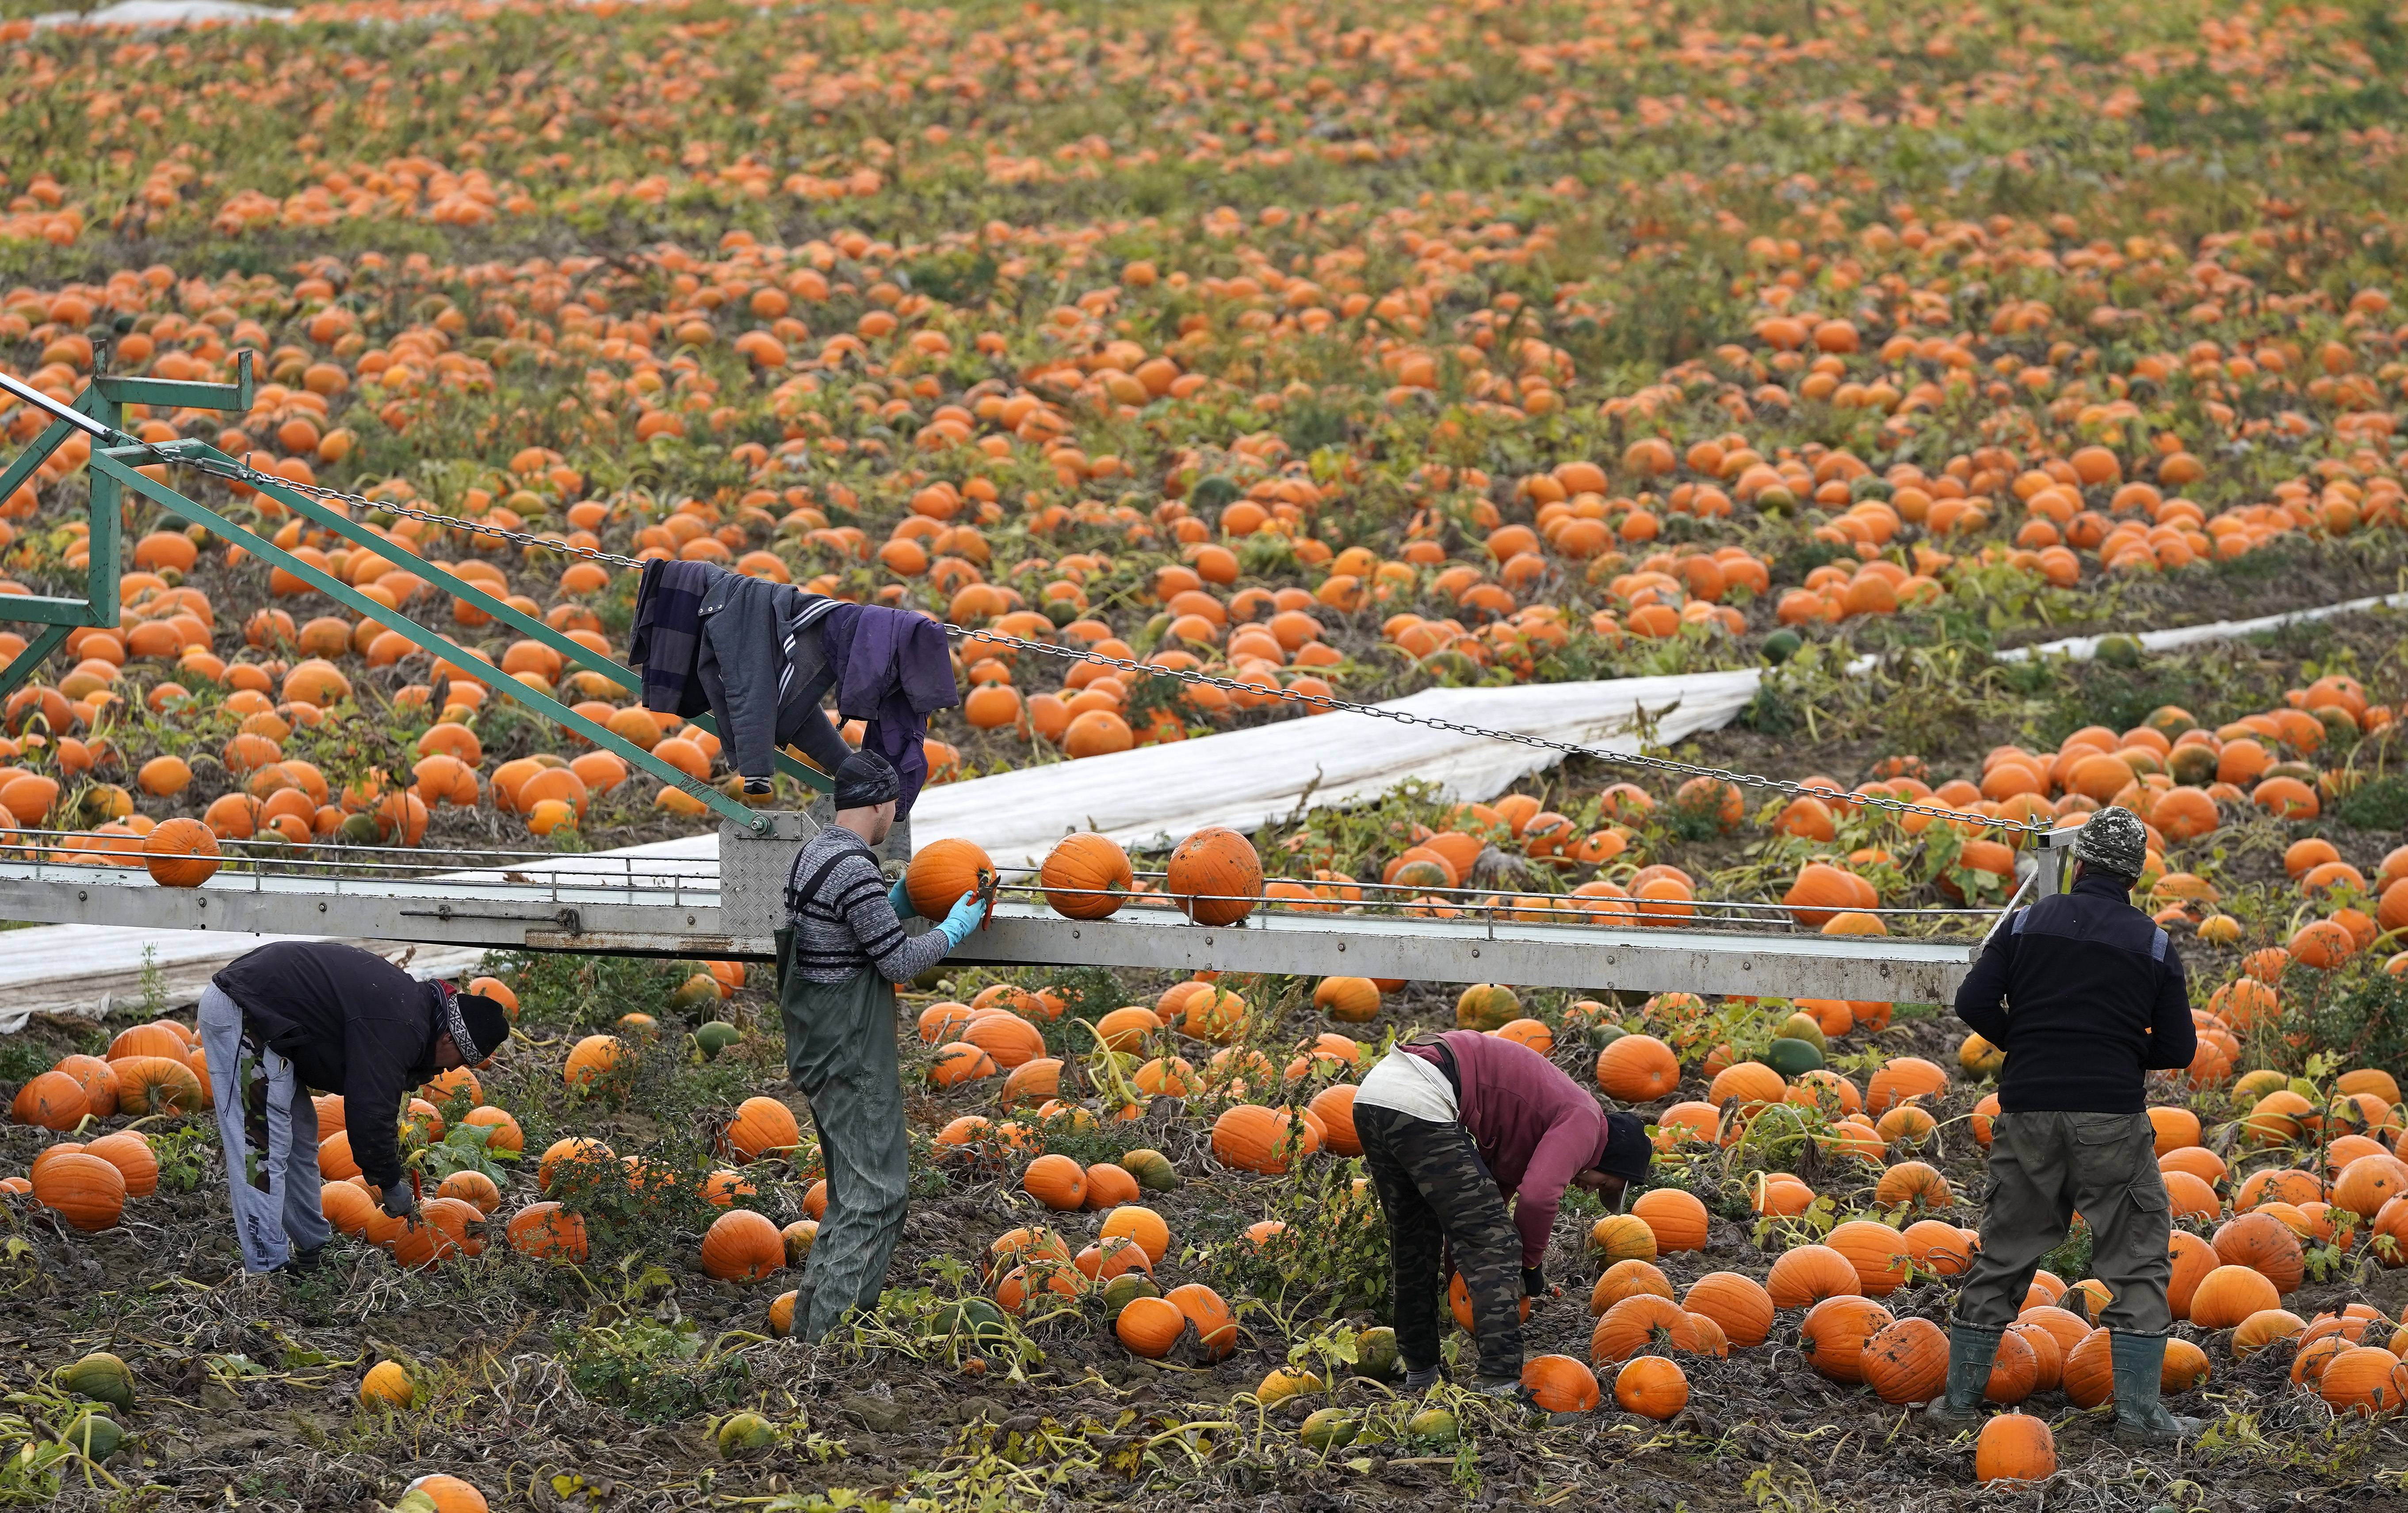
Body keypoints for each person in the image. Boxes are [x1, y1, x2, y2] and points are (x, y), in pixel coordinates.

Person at [1933, 806, 2198, 1441]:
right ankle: (2139, 1415)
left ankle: (1957, 1403)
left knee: (2003, 1250)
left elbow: (1971, 1000)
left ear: (2078, 864)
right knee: (2135, 1256)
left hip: (2026, 1108)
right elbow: (2179, 1047)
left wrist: (2022, 1041)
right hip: (2110, 1116)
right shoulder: (2153, 944)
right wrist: (2120, 1053)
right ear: (2132, 877)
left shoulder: (2024, 922)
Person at [777, 749, 986, 1341]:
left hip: (819, 1038)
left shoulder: (816, 852)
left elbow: (844, 932)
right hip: (849, 1047)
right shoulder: (854, 867)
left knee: (850, 1192)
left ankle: (809, 1332)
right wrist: (952, 929)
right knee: (879, 1195)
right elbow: (895, 959)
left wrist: (891, 906)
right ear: (881, 803)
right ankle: (833, 1338)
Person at [1352, 1028, 1653, 1397]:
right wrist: (1528, 1264)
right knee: (1498, 1245)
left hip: (1376, 1095)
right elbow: (1539, 1198)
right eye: (1606, 1184)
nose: (1591, 1190)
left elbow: (1467, 1221)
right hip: (1425, 1093)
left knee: (1415, 1241)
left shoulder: (1528, 1132)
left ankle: (1421, 1374)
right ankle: (1501, 1382)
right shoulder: (1587, 1121)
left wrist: (1459, 1279)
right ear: (1612, 1158)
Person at [202, 942, 513, 1275]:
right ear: (450, 1040)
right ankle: (266, 1270)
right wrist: (390, 1183)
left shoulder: (414, 1014)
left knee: (298, 1136)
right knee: (261, 1148)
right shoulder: (401, 1025)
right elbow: (370, 1111)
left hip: (273, 1022)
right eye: (461, 1062)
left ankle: (313, 1247)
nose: (451, 1072)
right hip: (244, 1010)